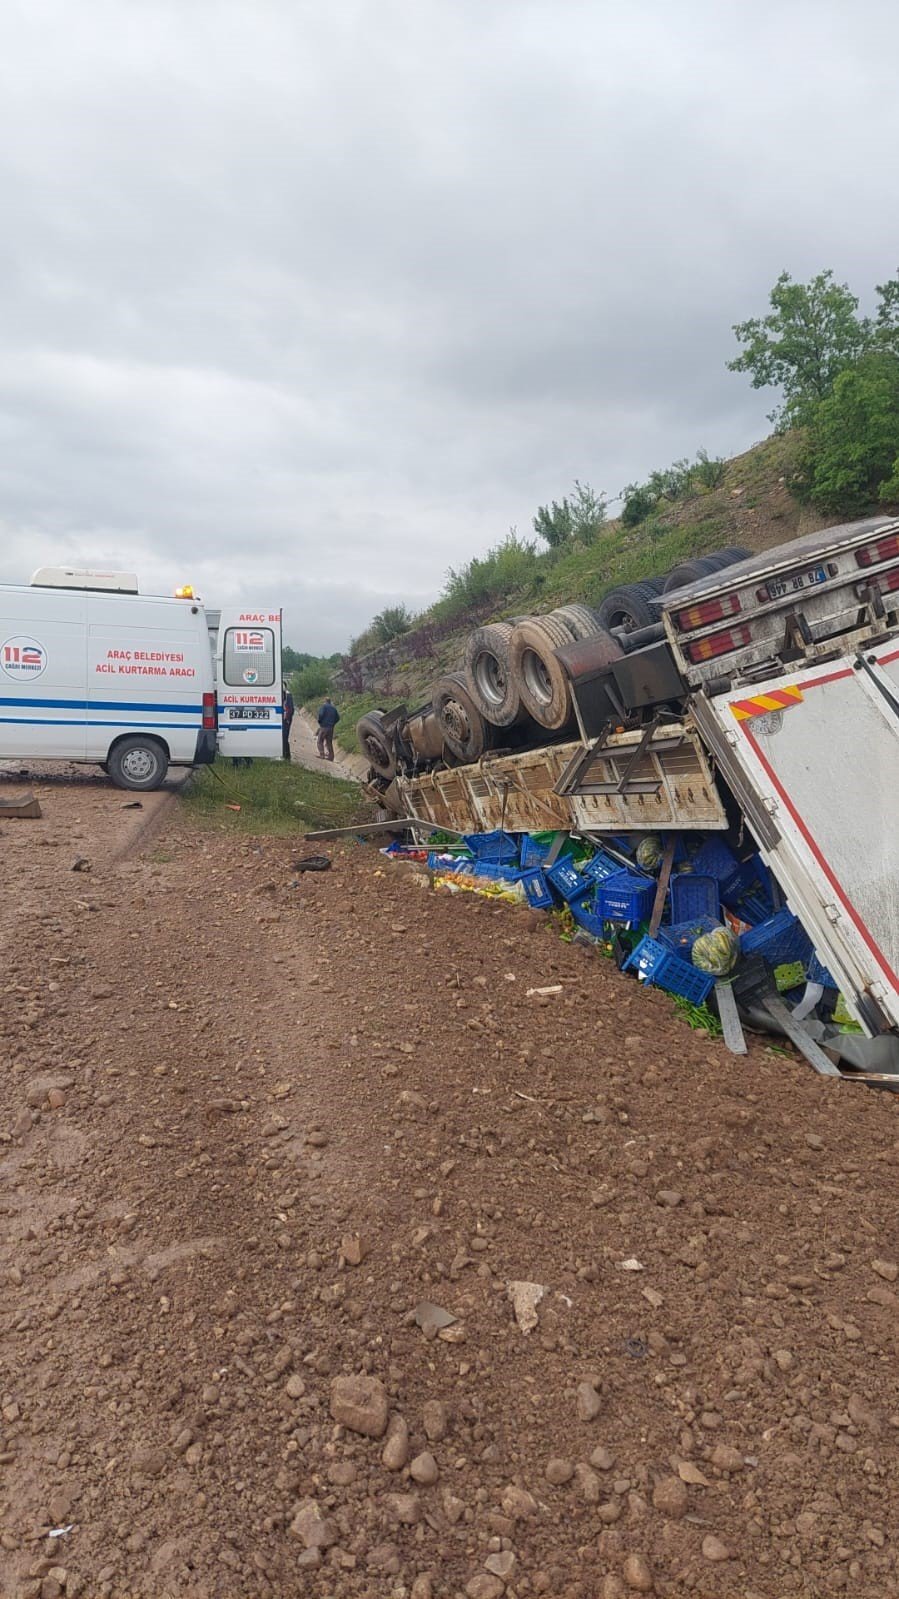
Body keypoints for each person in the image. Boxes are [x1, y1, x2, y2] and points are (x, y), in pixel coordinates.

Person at [316, 695, 340, 761]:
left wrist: (320, 721)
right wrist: (333, 723)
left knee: (320, 741)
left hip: (324, 727)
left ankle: (322, 755)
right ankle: (331, 757)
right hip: (331, 728)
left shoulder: (324, 707)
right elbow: (338, 718)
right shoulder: (334, 708)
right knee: (329, 742)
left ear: (325, 701)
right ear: (330, 702)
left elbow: (321, 715)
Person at [281, 681, 295, 761]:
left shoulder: (288, 695)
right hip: (284, 718)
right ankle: (285, 754)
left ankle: (287, 756)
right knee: (283, 737)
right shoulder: (283, 695)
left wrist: (287, 719)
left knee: (284, 737)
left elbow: (290, 709)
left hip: (286, 719)